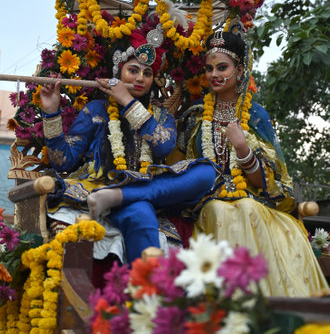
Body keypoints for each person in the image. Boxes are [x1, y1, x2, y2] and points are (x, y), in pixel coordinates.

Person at [178, 19, 329, 297]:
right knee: (217, 210)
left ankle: (258, 304)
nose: (214, 74)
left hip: (254, 199)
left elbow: (268, 180)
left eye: (222, 67)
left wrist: (242, 149)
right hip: (207, 201)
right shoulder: (196, 114)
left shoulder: (255, 114)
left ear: (240, 70)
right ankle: (228, 304)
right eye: (209, 68)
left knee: (246, 208)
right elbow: (183, 164)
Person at [41, 27, 216, 263]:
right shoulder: (97, 110)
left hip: (147, 188)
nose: (140, 78)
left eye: (147, 73)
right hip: (101, 186)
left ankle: (120, 195)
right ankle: (116, 197)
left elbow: (163, 146)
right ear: (117, 73)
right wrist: (51, 113)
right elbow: (63, 160)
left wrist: (127, 100)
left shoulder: (162, 115)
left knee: (206, 173)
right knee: (141, 213)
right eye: (133, 71)